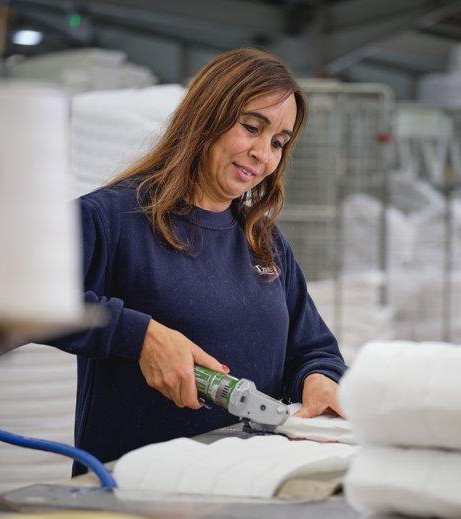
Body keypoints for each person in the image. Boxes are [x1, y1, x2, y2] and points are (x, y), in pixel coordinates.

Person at [53, 49, 347, 475]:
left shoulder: (262, 241)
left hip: (245, 481)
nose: (263, 154)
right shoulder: (111, 219)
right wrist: (141, 337)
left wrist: (319, 378)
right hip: (135, 487)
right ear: (206, 117)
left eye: (278, 142)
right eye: (252, 128)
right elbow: (26, 303)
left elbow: (312, 347)